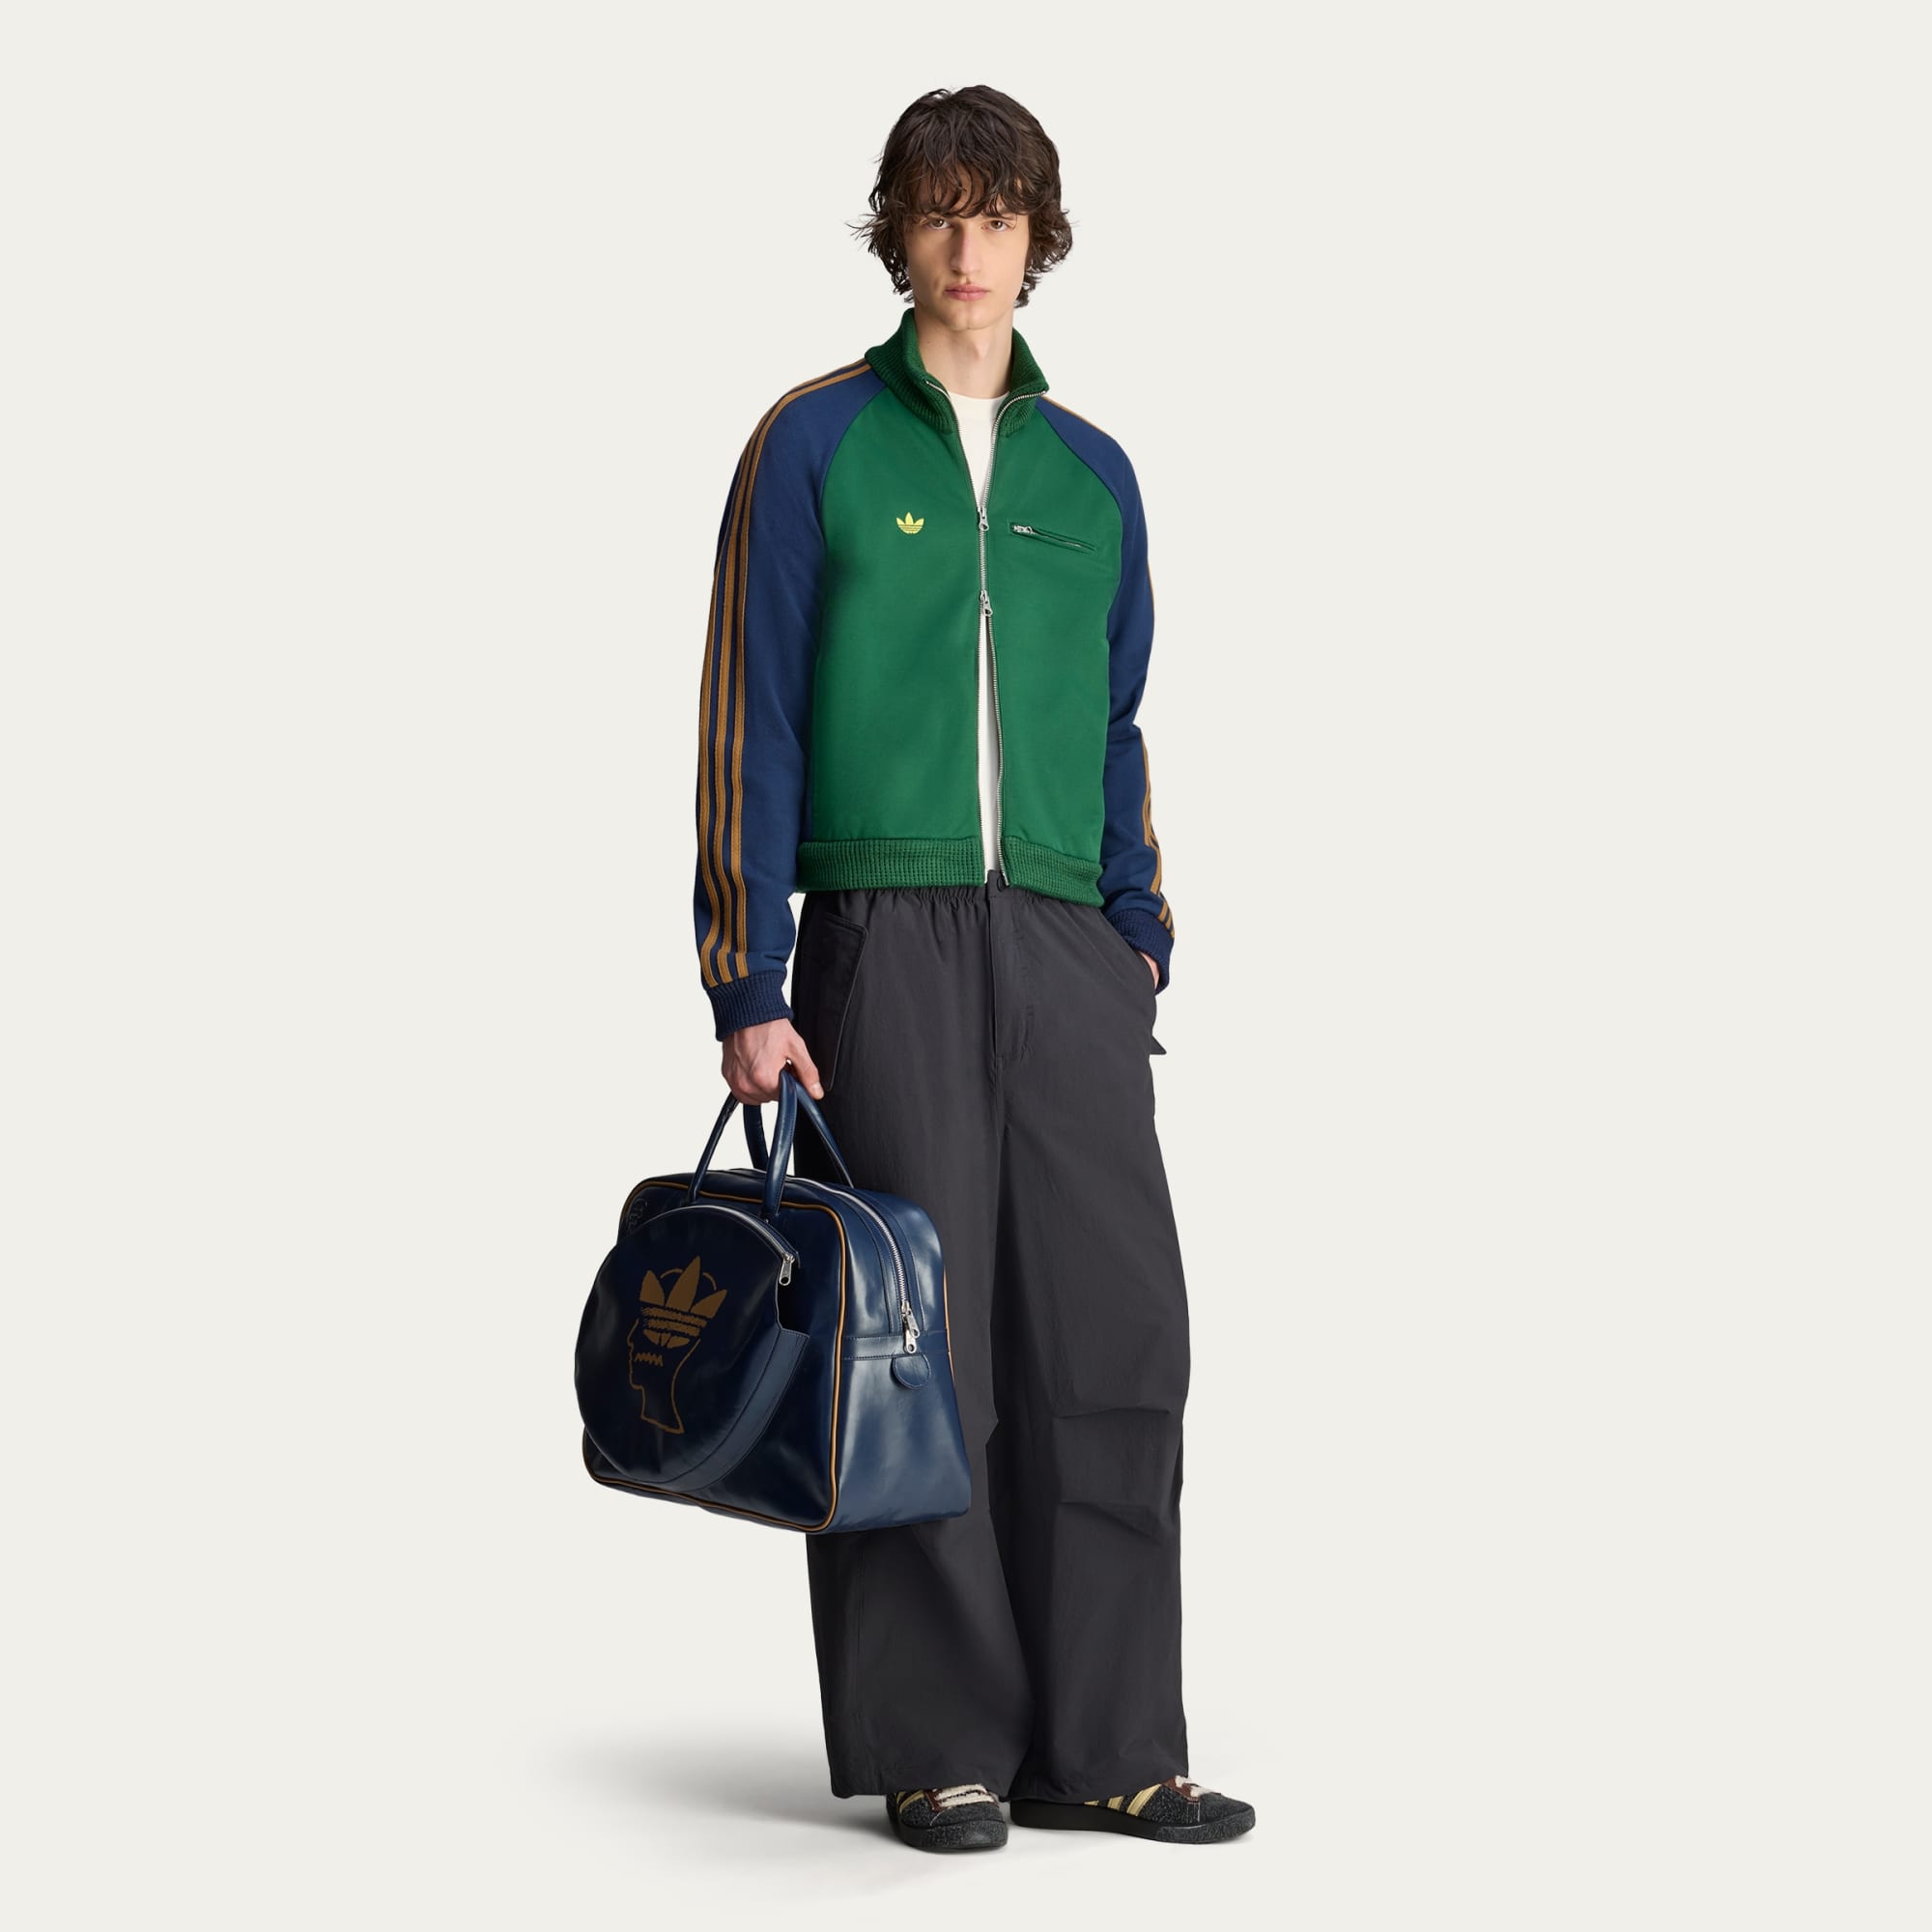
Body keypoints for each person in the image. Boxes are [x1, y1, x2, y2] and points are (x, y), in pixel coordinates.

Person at [690, 85, 1253, 1853]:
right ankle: (938, 1742)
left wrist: (1137, 936)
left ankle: (1108, 1743)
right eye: (939, 212)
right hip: (886, 938)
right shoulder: (815, 445)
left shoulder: (1095, 476)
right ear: (899, 230)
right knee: (912, 1351)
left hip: (1070, 946)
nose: (968, 247)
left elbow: (1117, 718)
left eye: (998, 216)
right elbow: (751, 715)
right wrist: (750, 978)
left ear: (1037, 237)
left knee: (1112, 1337)